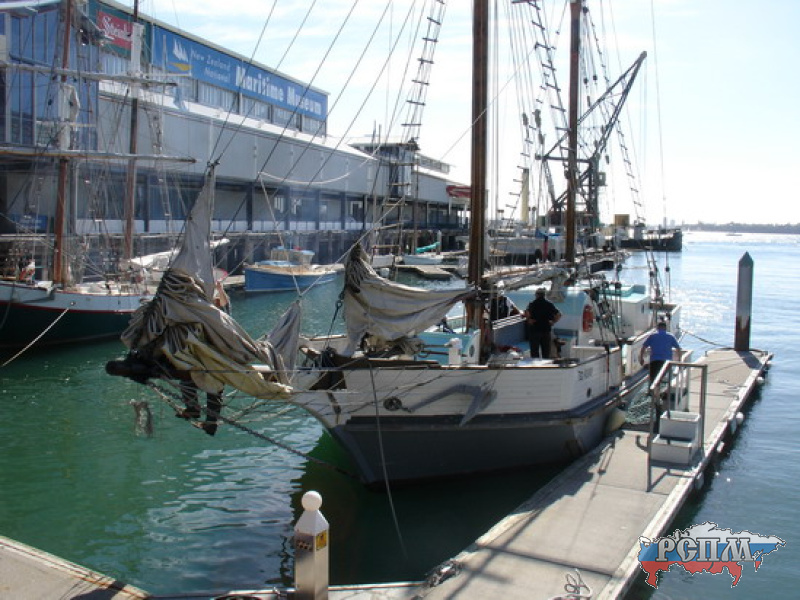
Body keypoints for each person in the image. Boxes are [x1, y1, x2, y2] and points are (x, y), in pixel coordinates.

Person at [523, 288, 561, 358]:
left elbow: (526, 312)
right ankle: (545, 363)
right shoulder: (549, 304)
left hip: (535, 330)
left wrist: (529, 320)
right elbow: (559, 314)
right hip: (546, 330)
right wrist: (553, 322)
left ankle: (535, 363)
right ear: (544, 295)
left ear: (536, 295)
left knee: (534, 352)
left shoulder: (532, 304)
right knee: (546, 352)